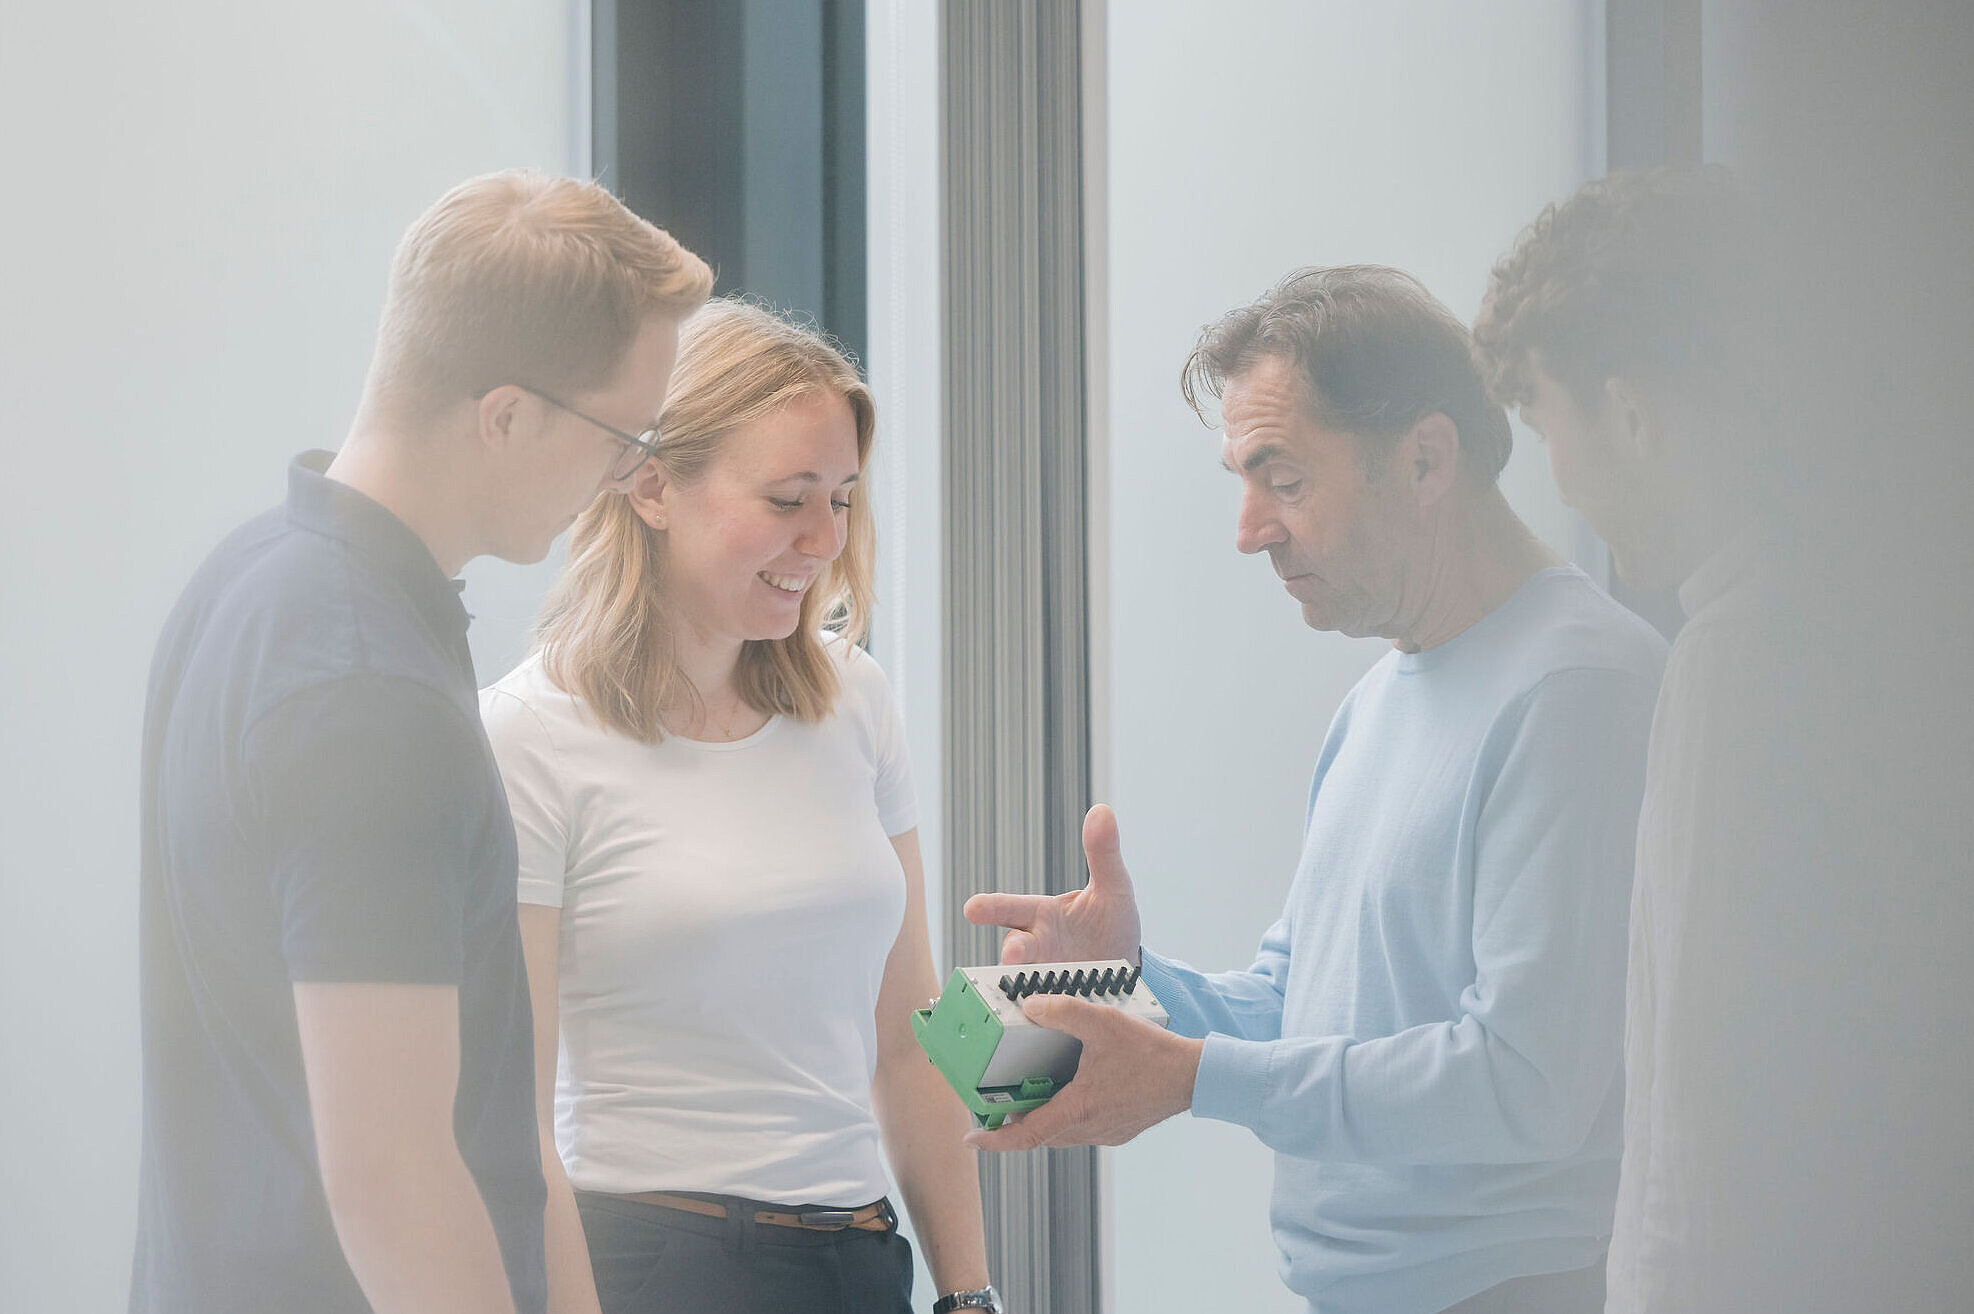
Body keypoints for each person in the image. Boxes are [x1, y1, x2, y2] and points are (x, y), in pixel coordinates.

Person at [965, 266, 1667, 1314]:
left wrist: (1191, 1077)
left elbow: (1529, 1082)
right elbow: (1297, 1009)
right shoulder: (1381, 697)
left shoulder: (1579, 687)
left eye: (1283, 479)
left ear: (1427, 459)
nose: (1250, 529)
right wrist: (1131, 985)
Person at [129, 170, 711, 1314]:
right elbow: (393, 1180)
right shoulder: (364, 693)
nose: (621, 478)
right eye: (617, 436)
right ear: (504, 414)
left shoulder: (255, 582)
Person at [1475, 165, 1974, 1313]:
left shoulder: (1736, 663)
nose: (1559, 475)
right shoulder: (1895, 617)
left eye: (1551, 419)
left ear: (1634, 412)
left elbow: (1701, 1109)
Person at [480, 300, 997, 1314]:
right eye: (787, 497)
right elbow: (513, 1118)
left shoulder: (857, 700)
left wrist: (970, 1296)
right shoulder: (530, 735)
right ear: (653, 485)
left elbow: (913, 1032)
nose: (821, 539)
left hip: (860, 1254)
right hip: (652, 1263)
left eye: (842, 499)